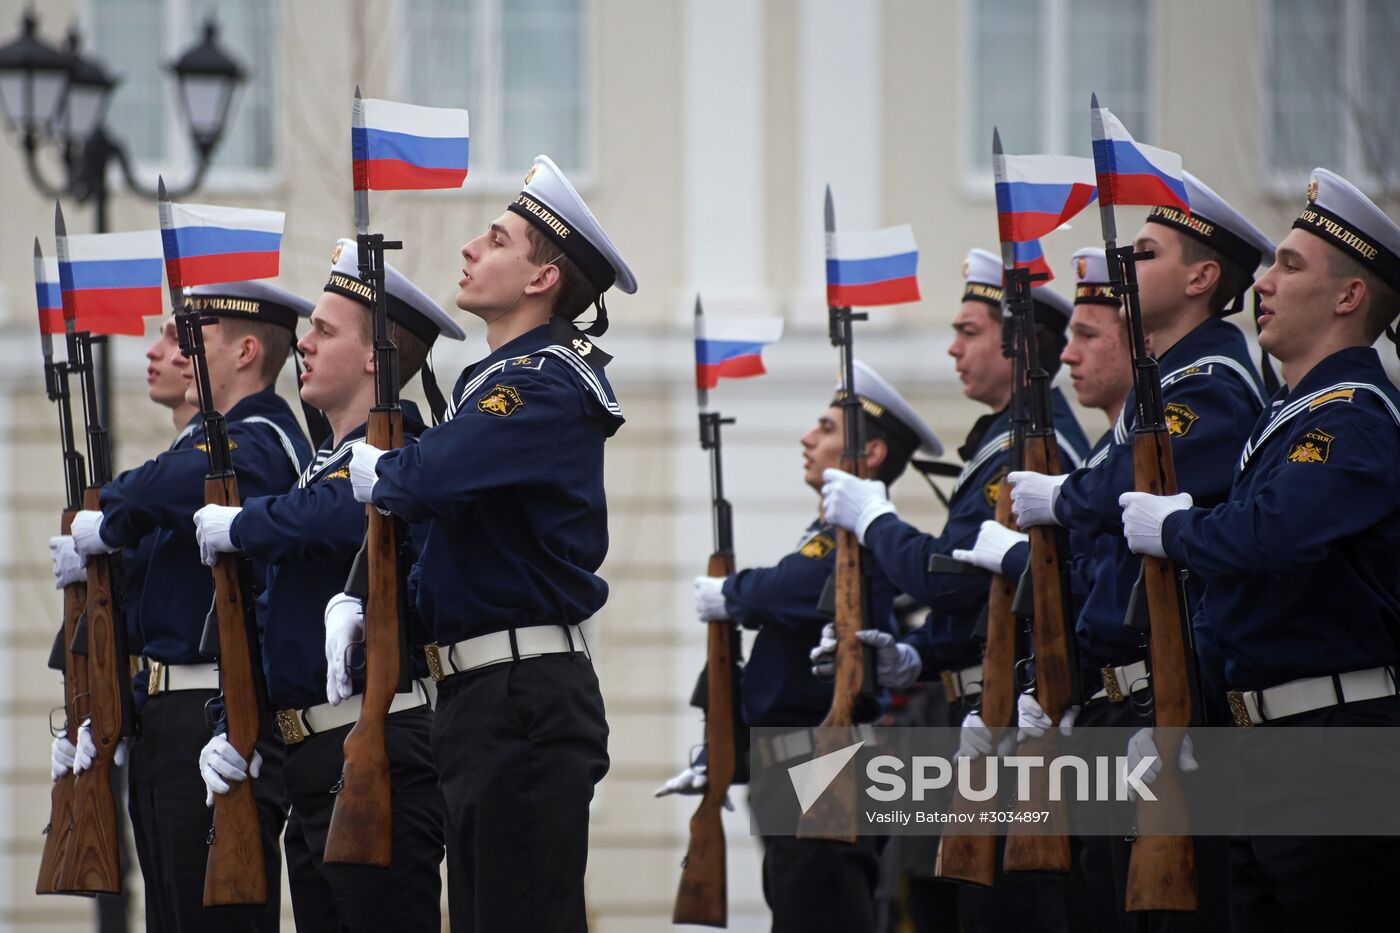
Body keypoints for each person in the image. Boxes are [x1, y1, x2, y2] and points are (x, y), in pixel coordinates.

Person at [330, 154, 633, 932]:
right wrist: (366, 603)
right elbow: (452, 539)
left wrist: (386, 469)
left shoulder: (543, 380)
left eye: (496, 240)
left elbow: (433, 475)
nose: (470, 248)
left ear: (541, 280)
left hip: (521, 698)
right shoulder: (492, 384)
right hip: (479, 700)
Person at [1119, 167, 1400, 932]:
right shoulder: (1289, 418)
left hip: (1335, 747)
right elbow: (1238, 603)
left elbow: (1270, 536)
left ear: (1349, 298)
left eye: (1289, 264)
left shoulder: (1355, 419)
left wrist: (1175, 529)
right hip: (1266, 744)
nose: (1264, 282)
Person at [1009, 173, 1276, 933]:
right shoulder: (1173, 384)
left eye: (1147, 252)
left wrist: (1066, 499)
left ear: (1201, 278)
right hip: (1120, 701)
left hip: (1166, 703)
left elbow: (1127, 498)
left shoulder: (1213, 384)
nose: (1125, 262)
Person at [192, 240, 465, 931]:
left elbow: (341, 513)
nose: (304, 343)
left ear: (376, 359)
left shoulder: (400, 449)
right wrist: (231, 723)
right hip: (309, 760)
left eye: (324, 329)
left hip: (377, 754)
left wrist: (245, 524)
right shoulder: (323, 465)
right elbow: (263, 611)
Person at [817, 249, 1090, 933]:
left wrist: (877, 520)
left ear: (1019, 343)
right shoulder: (999, 442)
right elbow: (978, 602)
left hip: (1022, 721)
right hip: (980, 715)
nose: (952, 346)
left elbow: (952, 576)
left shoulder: (1034, 441)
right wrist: (917, 657)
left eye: (969, 331)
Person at [65, 282, 312, 932]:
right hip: (167, 718)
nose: (161, 351)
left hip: (214, 719)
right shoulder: (205, 447)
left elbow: (167, 485)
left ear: (246, 351)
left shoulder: (261, 439)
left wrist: (111, 510)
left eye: (188, 339)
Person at [662, 360, 938, 932]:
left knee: (823, 911)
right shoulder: (824, 539)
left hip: (826, 762)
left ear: (874, 455)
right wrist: (722, 749)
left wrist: (733, 593)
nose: (807, 438)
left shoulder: (859, 540)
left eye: (827, 428)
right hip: (791, 761)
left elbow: (795, 587)